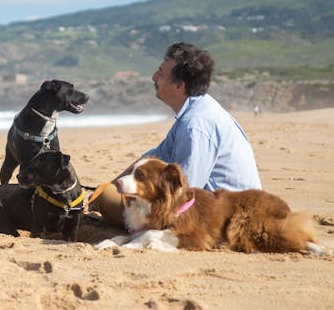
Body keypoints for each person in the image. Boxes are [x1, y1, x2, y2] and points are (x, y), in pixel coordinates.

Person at [92, 41, 262, 228]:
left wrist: (112, 195)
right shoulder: (196, 109)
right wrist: (115, 183)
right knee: (107, 191)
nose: (153, 77)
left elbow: (184, 193)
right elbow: (153, 156)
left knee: (107, 198)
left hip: (228, 220)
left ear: (179, 86)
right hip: (220, 208)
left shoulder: (196, 124)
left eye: (160, 74)